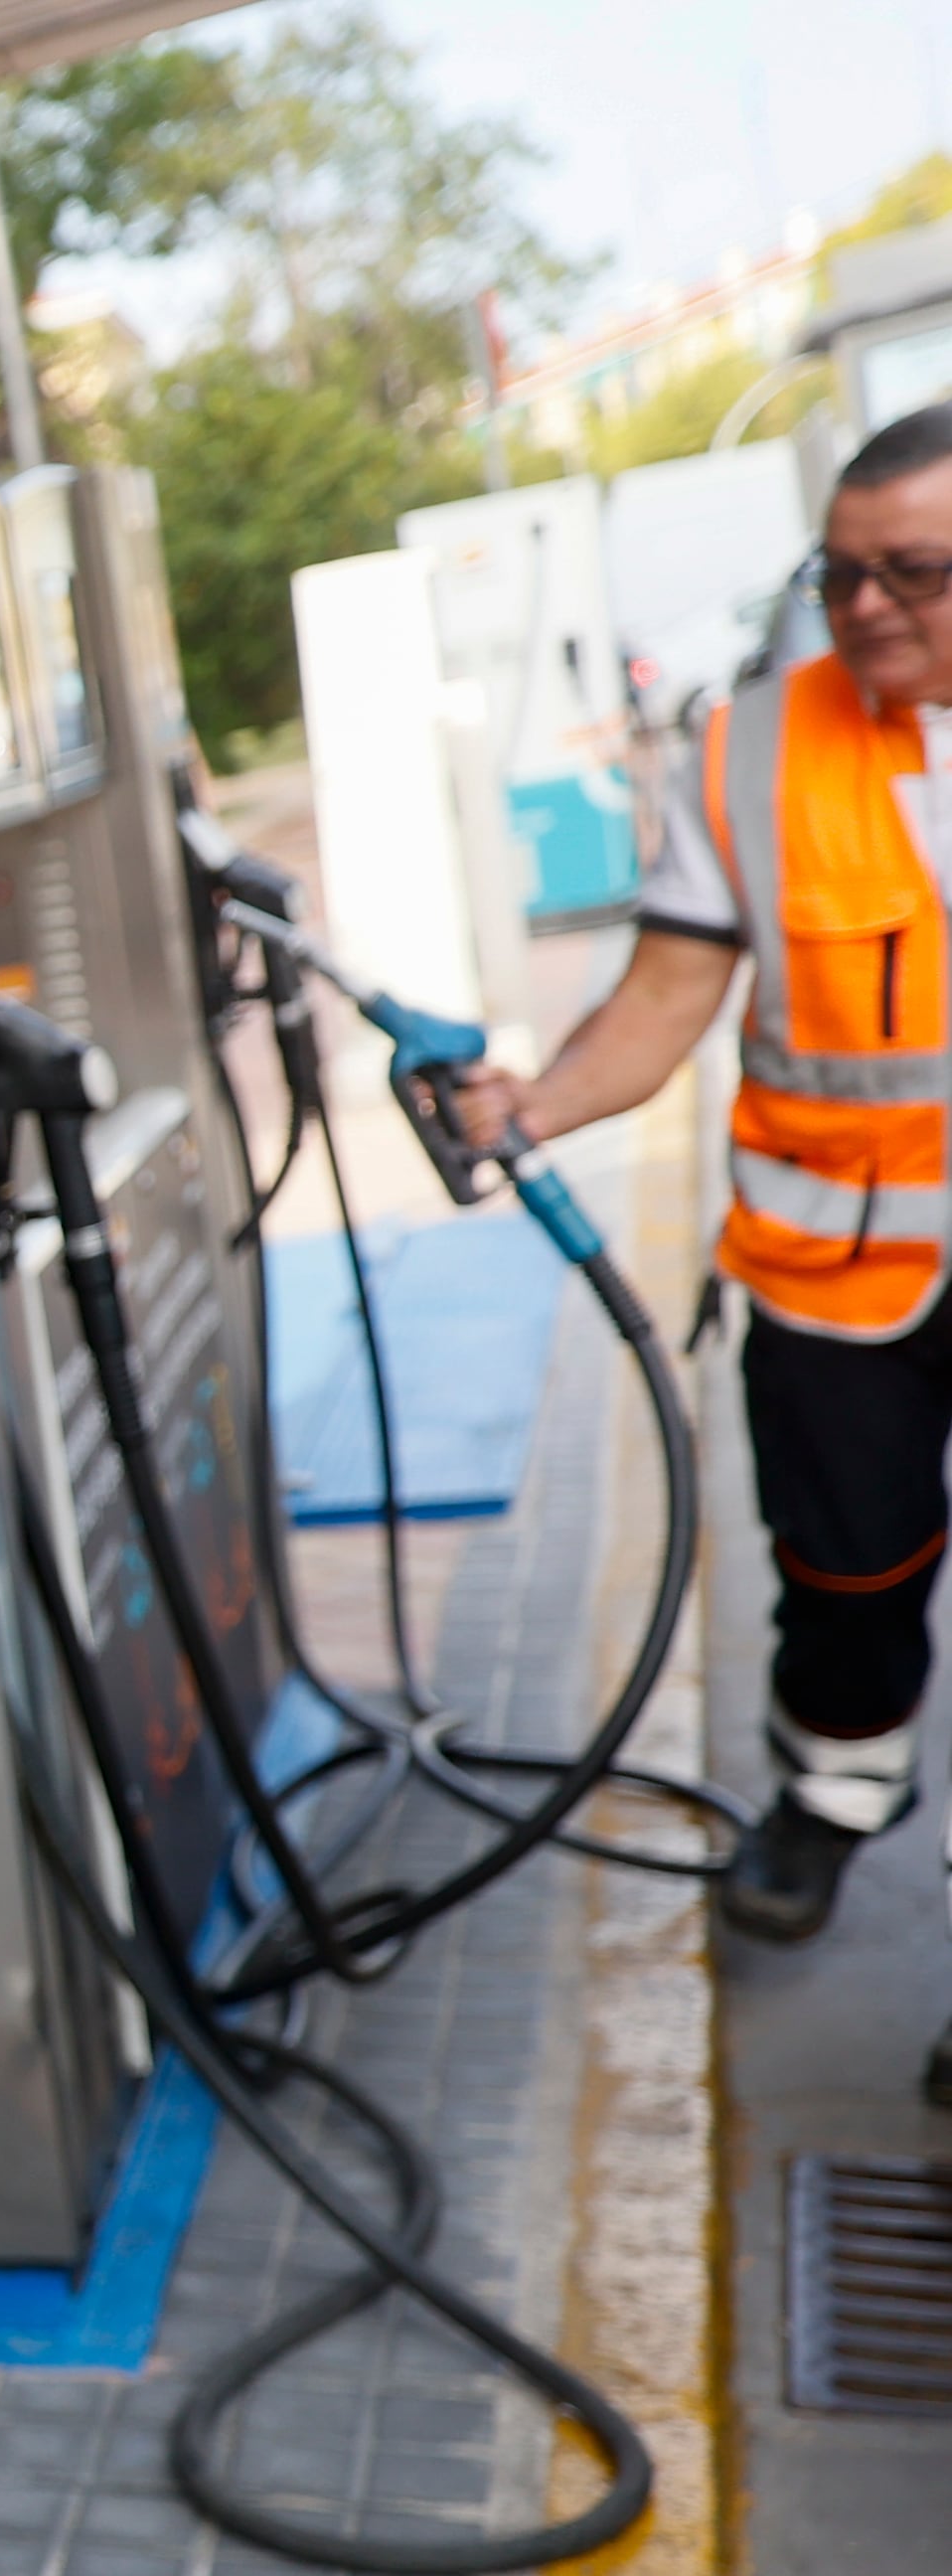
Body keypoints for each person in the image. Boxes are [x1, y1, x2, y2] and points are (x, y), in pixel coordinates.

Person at [465, 401, 952, 2077]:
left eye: (915, 573)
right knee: (849, 1574)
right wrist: (527, 1107)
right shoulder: (750, 746)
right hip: (841, 1266)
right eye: (840, 574)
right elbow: (670, 992)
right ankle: (828, 1791)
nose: (868, 607)